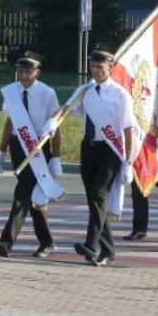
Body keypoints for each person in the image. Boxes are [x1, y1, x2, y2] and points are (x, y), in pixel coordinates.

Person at [42, 43, 134, 266]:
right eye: (92, 66)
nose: (95, 71)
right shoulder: (86, 90)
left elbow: (128, 129)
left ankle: (91, 244)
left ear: (111, 67)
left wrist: (129, 162)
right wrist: (53, 120)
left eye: (99, 67)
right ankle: (108, 250)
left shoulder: (119, 94)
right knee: (94, 200)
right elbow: (68, 107)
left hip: (111, 149)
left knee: (99, 194)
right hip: (89, 147)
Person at [0, 51, 61, 258]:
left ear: (37, 72)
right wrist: (1, 151)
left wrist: (56, 157)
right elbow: (10, 122)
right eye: (21, 72)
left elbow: (56, 126)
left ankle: (6, 241)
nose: (24, 76)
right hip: (18, 147)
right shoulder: (12, 92)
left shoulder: (48, 93)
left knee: (22, 194)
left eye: (28, 72)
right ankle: (47, 242)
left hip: (38, 147)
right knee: (30, 197)